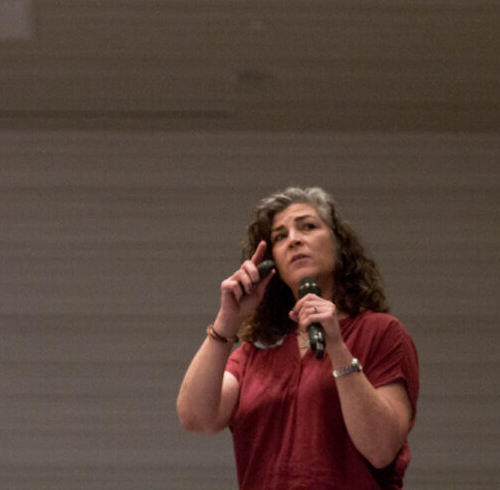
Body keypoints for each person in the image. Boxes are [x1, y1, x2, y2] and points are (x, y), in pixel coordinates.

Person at [176, 186, 419, 490]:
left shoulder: (381, 332)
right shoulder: (254, 352)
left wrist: (337, 347)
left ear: (338, 245)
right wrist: (228, 320)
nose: (293, 239)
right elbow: (197, 417)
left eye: (308, 226)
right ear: (273, 264)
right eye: (280, 237)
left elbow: (381, 449)